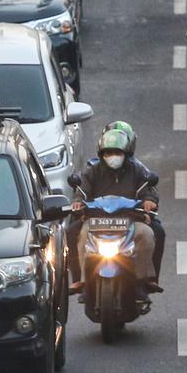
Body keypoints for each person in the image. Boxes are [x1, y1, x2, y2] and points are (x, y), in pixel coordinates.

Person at [70, 127, 162, 299]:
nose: (112, 157)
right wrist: (77, 202)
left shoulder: (138, 170)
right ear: (101, 154)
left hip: (131, 221)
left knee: (150, 234)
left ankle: (142, 281)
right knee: (76, 233)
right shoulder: (92, 171)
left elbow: (149, 189)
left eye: (117, 152)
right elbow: (81, 191)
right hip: (97, 221)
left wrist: (150, 201)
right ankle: (82, 281)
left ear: (126, 154)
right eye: (108, 153)